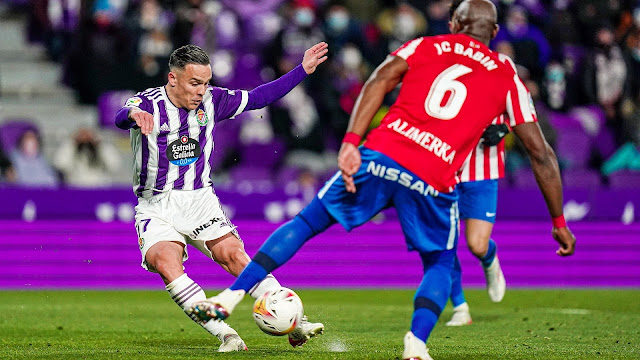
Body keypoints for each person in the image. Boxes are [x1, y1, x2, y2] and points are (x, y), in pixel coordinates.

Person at [187, 1, 576, 359]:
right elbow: (540, 153)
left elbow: (377, 80)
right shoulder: (506, 73)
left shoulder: (427, 45)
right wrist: (558, 222)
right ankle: (417, 343)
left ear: (455, 23)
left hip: (382, 155)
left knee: (306, 223)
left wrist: (351, 142)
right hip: (434, 174)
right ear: (493, 34)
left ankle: (232, 296)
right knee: (440, 261)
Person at [114, 42, 328, 352]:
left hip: (200, 200)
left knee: (234, 256)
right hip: (156, 204)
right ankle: (227, 335)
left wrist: (302, 71)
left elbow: (258, 98)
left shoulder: (213, 101)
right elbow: (122, 115)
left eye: (206, 82)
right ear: (173, 78)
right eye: (194, 82)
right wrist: (133, 113)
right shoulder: (148, 103)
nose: (202, 90)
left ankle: (294, 320)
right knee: (165, 262)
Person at [53, 127, 121, 187]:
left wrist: (99, 145)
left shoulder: (102, 149)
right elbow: (60, 164)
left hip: (100, 190)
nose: (85, 139)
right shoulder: (71, 149)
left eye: (88, 136)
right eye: (82, 136)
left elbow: (114, 166)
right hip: (75, 190)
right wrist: (72, 143)